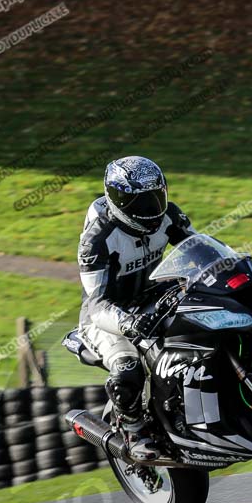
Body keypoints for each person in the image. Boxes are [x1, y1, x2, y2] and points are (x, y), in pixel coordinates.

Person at [77, 155, 196, 461]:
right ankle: (133, 429)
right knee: (127, 367)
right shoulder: (97, 241)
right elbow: (97, 303)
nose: (152, 209)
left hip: (153, 297)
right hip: (106, 317)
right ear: (119, 202)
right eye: (141, 204)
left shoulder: (168, 215)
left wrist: (227, 264)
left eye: (156, 197)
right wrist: (128, 324)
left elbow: (197, 248)